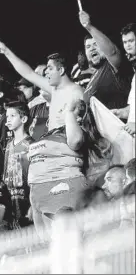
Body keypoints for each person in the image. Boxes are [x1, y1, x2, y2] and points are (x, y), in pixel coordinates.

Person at [27, 99, 110, 236]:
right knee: (47, 246)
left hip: (65, 186)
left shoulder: (76, 132)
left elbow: (75, 141)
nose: (59, 112)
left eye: (64, 110)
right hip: (38, 192)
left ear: (77, 118)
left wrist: (70, 113)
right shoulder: (49, 134)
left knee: (74, 240)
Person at [0, 40, 84, 132]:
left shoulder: (76, 93)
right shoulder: (54, 89)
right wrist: (6, 51)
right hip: (52, 141)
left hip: (65, 144)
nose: (46, 72)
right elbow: (28, 73)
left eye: (50, 68)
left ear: (61, 70)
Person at [79, 10, 131, 109]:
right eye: (88, 47)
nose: (92, 48)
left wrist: (89, 27)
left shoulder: (113, 66)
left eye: (95, 44)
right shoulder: (94, 76)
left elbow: (112, 52)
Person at [3, 101, 34, 228]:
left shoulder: (32, 144)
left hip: (27, 199)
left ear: (24, 119)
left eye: (12, 116)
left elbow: (36, 178)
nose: (8, 120)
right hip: (10, 199)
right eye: (7, 116)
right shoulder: (9, 145)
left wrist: (33, 205)